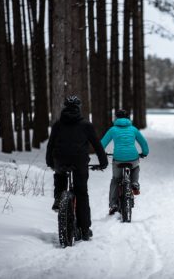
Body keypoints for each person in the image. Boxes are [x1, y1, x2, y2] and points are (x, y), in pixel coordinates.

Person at [46, 95, 108, 241]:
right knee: (81, 193)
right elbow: (97, 146)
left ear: (65, 108)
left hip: (60, 160)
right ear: (78, 108)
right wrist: (103, 162)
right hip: (80, 162)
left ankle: (59, 199)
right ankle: (85, 230)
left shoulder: (58, 125)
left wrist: (50, 162)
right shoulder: (86, 125)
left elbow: (50, 145)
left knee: (60, 176)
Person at [101, 109, 149, 215]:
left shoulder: (112, 130)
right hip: (133, 157)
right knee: (136, 167)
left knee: (115, 180)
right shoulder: (133, 129)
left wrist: (102, 154)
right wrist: (144, 153)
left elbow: (101, 145)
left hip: (118, 159)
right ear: (128, 118)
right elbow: (144, 143)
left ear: (116, 118)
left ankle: (113, 204)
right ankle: (134, 183)